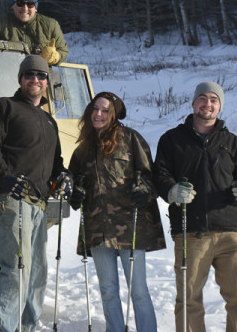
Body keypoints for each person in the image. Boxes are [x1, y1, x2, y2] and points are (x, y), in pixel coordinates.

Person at [153, 81, 237, 332]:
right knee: (188, 299)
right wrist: (172, 190)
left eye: (213, 99)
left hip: (230, 231)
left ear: (219, 107)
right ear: (193, 103)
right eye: (202, 98)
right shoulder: (172, 140)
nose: (207, 104)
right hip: (191, 231)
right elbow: (159, 175)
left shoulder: (233, 143)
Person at [0, 54, 73, 332]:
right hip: (11, 200)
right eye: (29, 75)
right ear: (20, 79)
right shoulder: (4, 107)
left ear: (47, 82)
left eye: (41, 76)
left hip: (39, 205)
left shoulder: (48, 120)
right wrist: (4, 178)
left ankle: (28, 327)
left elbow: (55, 161)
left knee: (38, 273)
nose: (35, 80)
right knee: (17, 268)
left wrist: (63, 176)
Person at [68, 91, 166, 332]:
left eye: (104, 110)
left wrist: (146, 190)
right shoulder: (82, 149)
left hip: (130, 228)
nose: (98, 114)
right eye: (95, 109)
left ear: (114, 115)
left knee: (138, 289)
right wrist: (74, 193)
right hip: (97, 229)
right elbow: (73, 183)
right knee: (108, 289)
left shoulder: (131, 140)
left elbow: (152, 177)